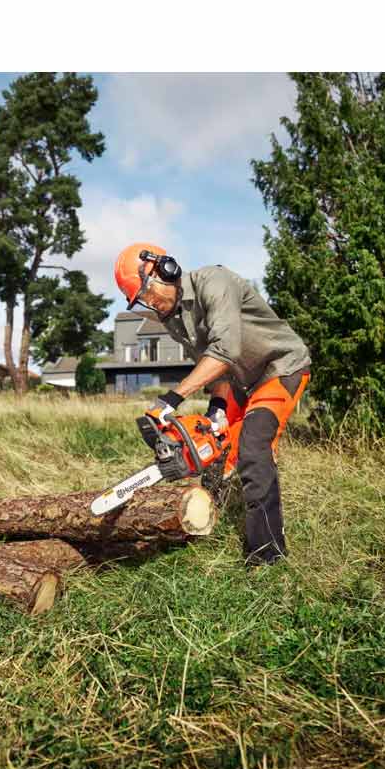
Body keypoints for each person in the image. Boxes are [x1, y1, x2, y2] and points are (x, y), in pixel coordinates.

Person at [114, 242, 312, 566]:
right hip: (239, 380)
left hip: (279, 367)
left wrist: (171, 400)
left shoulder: (214, 283)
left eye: (148, 292)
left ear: (166, 270)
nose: (151, 303)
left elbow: (225, 350)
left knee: (253, 447)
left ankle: (268, 556)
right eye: (142, 300)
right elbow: (213, 362)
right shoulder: (172, 319)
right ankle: (207, 520)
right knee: (215, 447)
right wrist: (217, 407)